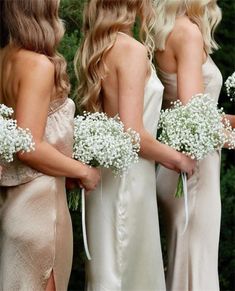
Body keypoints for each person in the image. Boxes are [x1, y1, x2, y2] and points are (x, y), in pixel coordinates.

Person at [75, 0, 195, 290]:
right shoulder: (131, 50)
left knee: (111, 271)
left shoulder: (98, 47)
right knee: (129, 273)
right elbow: (133, 134)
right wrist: (178, 159)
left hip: (106, 180)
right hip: (129, 181)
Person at [0, 0, 100, 290]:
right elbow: (28, 147)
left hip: (13, 204)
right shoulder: (37, 65)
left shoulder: (6, 57)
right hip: (40, 208)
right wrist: (82, 171)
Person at [154, 0, 225, 290]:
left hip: (181, 168)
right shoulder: (188, 33)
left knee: (190, 265)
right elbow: (193, 117)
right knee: (196, 269)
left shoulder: (171, 30)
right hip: (192, 174)